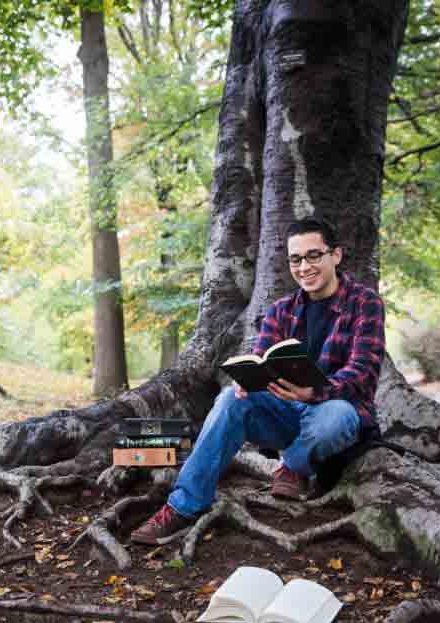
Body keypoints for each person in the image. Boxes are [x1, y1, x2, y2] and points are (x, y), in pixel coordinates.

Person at [130, 217, 386, 545]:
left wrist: (315, 392)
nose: (304, 267)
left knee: (332, 416)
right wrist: (249, 383)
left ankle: (292, 465)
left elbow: (363, 373)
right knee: (228, 399)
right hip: (287, 415)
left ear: (335, 255)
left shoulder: (364, 303)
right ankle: (184, 506)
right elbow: (262, 360)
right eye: (296, 259)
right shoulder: (280, 310)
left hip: (336, 416)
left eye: (313, 256)